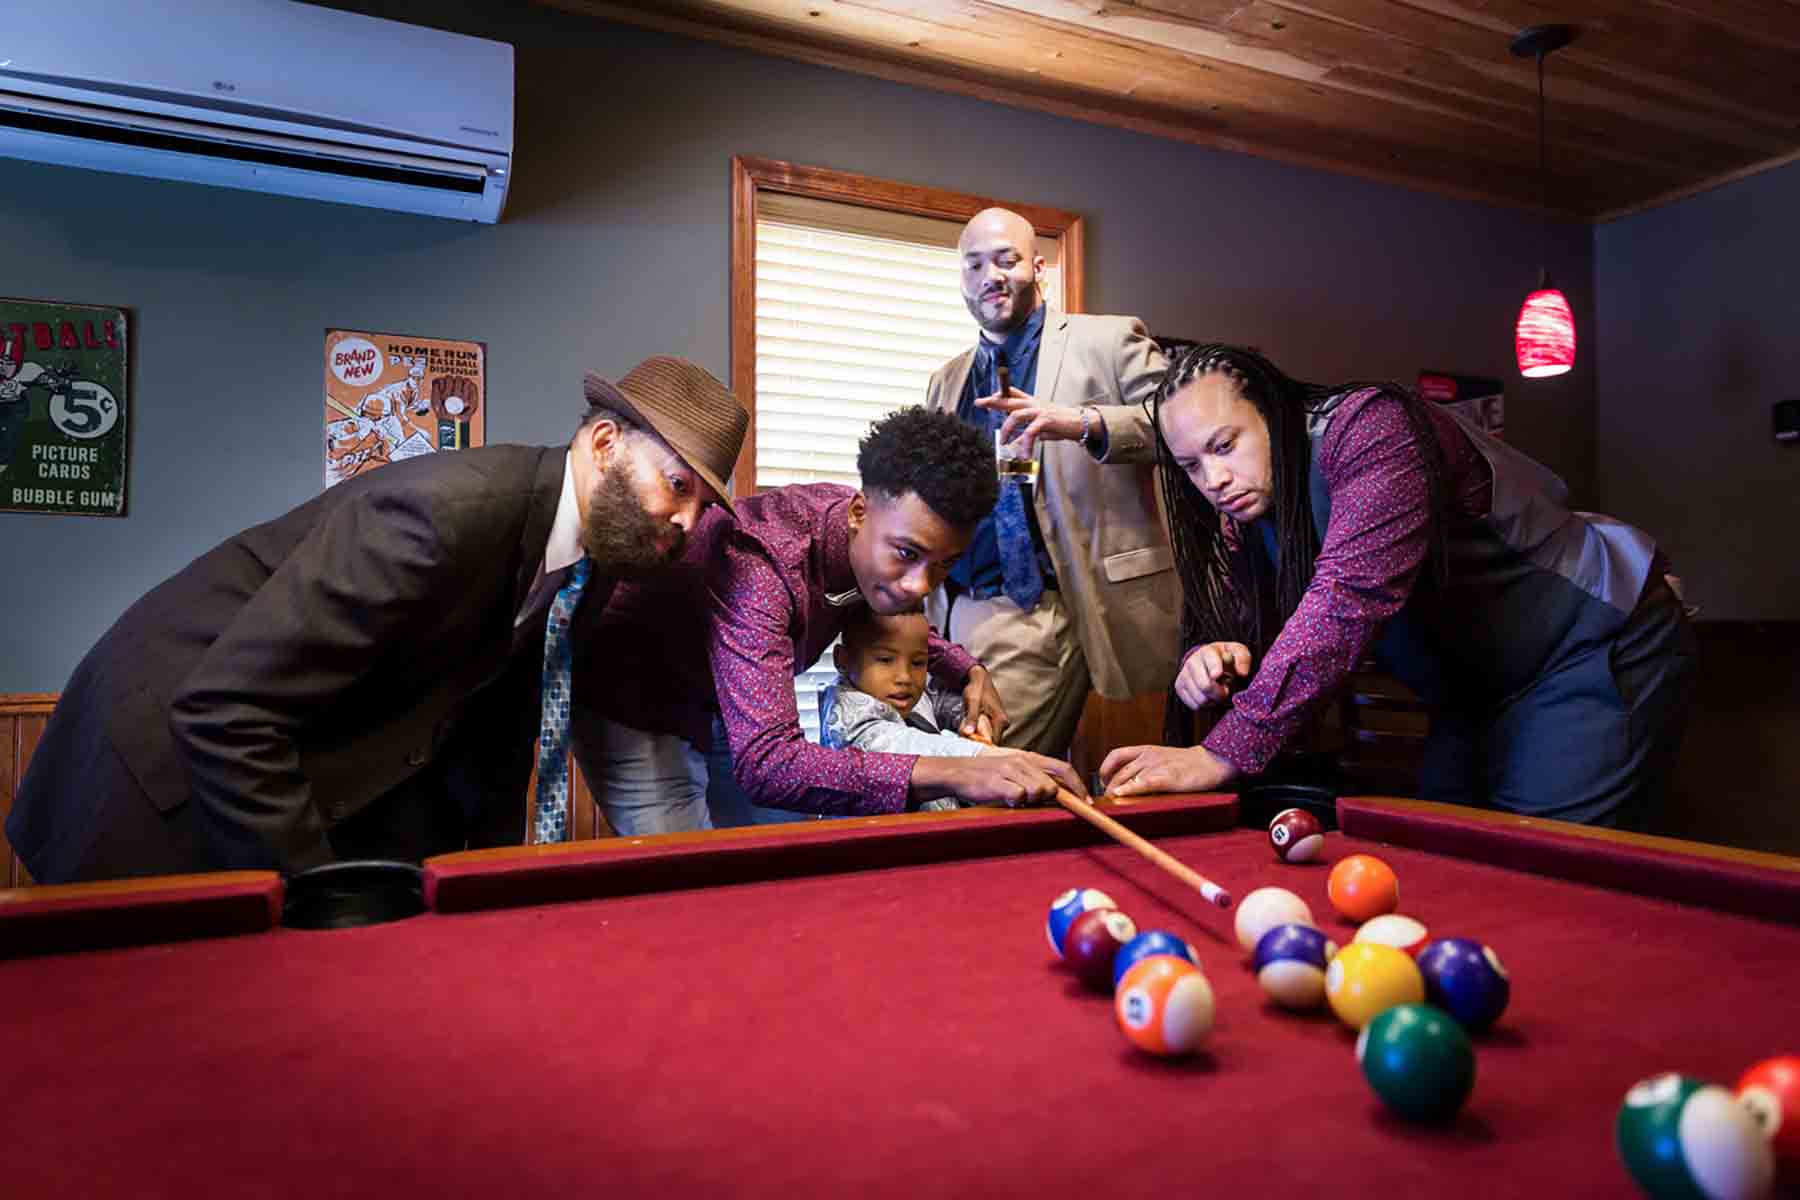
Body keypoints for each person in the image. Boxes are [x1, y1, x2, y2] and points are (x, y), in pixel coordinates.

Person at [7, 356, 748, 881]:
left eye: (702, 507)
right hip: (152, 770)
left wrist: (494, 891)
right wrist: (323, 899)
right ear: (605, 444)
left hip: (285, 771)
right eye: (676, 484)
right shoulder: (441, 516)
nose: (685, 521)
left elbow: (501, 740)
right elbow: (224, 710)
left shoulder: (590, 569)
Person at [1100, 343, 1696, 828]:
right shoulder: (1248, 517)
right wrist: (1214, 655)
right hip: (1471, 699)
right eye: (1191, 466)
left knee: (1541, 874)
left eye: (1224, 446)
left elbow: (1349, 596)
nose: (1214, 479)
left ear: (1274, 410)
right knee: (1433, 854)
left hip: (1587, 648)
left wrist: (1219, 753)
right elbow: (1248, 624)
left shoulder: (1370, 427)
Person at [709, 406, 1087, 815]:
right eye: (908, 553)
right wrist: (967, 768)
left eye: (944, 564)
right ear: (858, 512)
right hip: (657, 718)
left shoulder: (875, 532)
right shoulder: (764, 566)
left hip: (744, 717)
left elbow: (895, 616)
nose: (920, 586)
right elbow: (767, 766)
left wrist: (968, 670)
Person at [925, 207, 1180, 758]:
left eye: (1006, 260)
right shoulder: (946, 381)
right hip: (951, 615)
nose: (990, 276)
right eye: (974, 265)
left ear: (1038, 267)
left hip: (1048, 606)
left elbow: (1185, 426)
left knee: (986, 784)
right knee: (949, 785)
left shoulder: (1110, 341)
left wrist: (1082, 422)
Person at [817, 607, 992, 806]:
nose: (905, 677)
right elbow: (906, 745)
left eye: (918, 663)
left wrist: (973, 719)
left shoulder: (900, 695)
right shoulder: (845, 717)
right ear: (843, 659)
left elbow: (940, 702)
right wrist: (982, 754)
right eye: (885, 660)